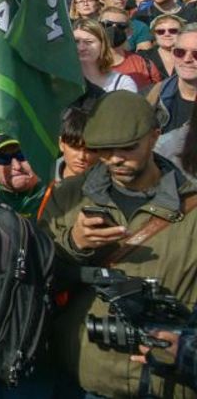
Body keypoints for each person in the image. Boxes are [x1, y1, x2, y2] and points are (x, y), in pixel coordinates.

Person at [41, 91, 197, 398]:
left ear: (155, 136)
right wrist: (74, 244)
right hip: (84, 379)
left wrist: (188, 349)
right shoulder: (68, 197)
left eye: (127, 148)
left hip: (166, 382)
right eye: (104, 149)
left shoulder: (191, 208)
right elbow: (35, 278)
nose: (114, 159)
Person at [74, 18, 138, 93]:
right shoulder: (62, 84)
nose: (81, 47)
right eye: (76, 42)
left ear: (102, 45)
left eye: (89, 42)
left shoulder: (122, 83)